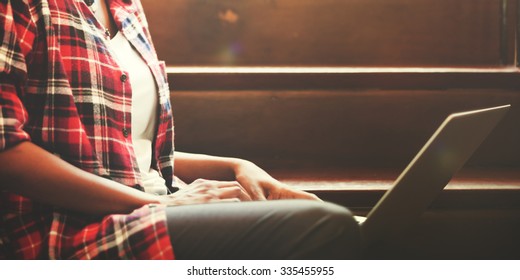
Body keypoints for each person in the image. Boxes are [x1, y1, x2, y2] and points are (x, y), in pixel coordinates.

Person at [0, 0, 361, 259]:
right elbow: (7, 152)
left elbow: (132, 152)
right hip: (70, 235)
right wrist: (160, 203)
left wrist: (235, 166)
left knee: (363, 228)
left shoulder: (127, 8)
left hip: (158, 203)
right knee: (323, 226)